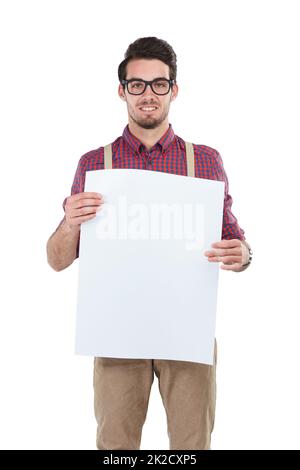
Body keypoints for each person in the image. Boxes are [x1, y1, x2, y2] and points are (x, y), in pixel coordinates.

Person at [46, 36, 252, 450]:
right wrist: (70, 223)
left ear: (173, 90)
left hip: (186, 332)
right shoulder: (95, 164)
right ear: (122, 91)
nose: (148, 94)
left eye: (159, 84)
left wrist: (243, 254)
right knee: (116, 448)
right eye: (137, 85)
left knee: (192, 447)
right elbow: (57, 260)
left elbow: (234, 239)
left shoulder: (205, 161)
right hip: (116, 334)